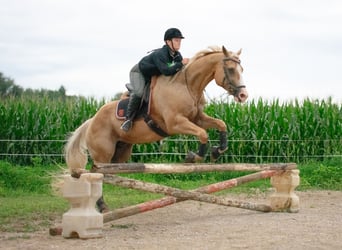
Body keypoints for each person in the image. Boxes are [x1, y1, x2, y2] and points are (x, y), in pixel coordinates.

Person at [120, 28, 190, 132]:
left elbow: (178, 72)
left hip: (152, 74)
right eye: (176, 40)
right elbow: (166, 71)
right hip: (139, 73)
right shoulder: (161, 54)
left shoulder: (177, 55)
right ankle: (128, 119)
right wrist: (181, 64)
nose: (179, 43)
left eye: (180, 40)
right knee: (139, 93)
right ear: (168, 41)